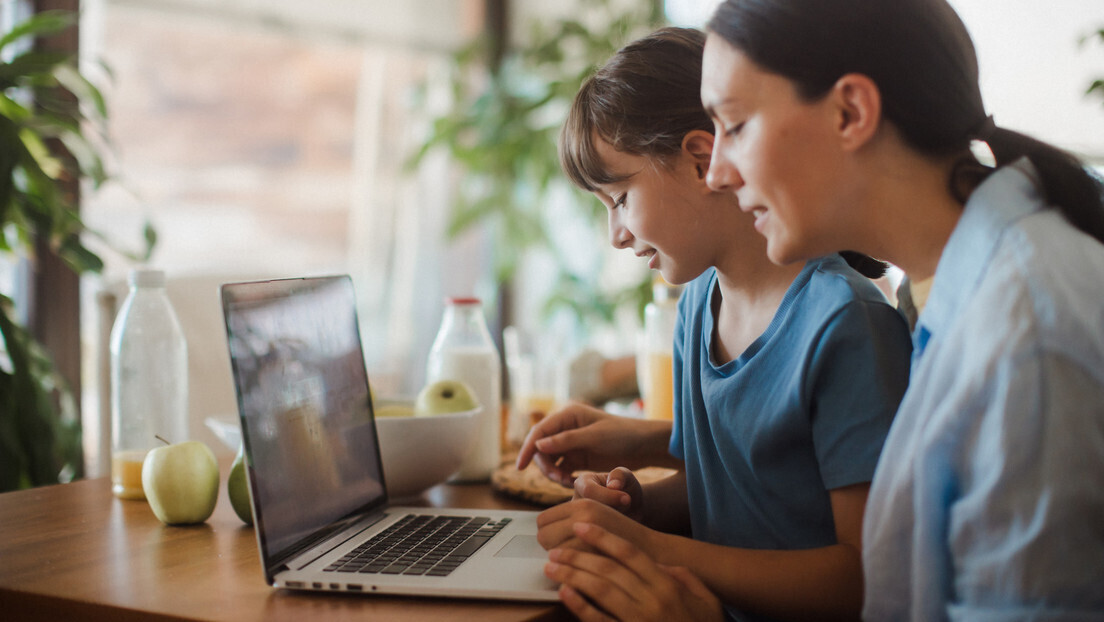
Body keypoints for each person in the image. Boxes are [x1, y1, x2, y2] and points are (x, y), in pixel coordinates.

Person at [701, 1, 1104, 619]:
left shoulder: (1025, 338)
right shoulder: (950, 288)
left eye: (736, 125)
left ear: (850, 112)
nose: (715, 174)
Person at [517, 27, 913, 621]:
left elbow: (860, 579)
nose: (616, 235)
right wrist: (637, 509)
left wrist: (655, 549)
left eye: (620, 197)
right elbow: (733, 500)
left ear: (703, 161)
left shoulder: (845, 325)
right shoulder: (698, 306)